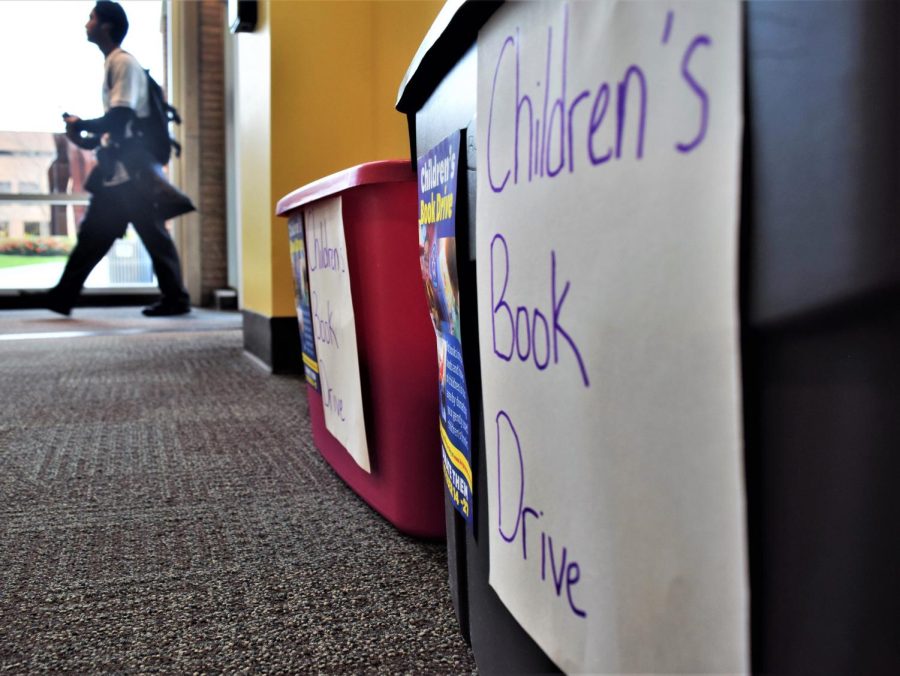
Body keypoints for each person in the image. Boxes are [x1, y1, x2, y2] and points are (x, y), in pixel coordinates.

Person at [46, 0, 191, 317]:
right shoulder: (115, 64)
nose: (87, 23)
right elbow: (118, 128)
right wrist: (84, 136)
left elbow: (121, 115)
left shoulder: (122, 63)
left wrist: (81, 125)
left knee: (149, 234)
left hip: (132, 174)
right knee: (98, 235)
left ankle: (176, 299)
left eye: (91, 18)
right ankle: (61, 296)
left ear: (107, 25)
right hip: (121, 175)